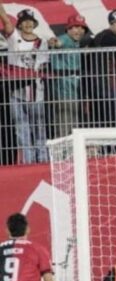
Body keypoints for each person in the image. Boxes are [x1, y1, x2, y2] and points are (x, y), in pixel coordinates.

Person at [0, 4, 49, 163]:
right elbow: (6, 20)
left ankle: (42, 161)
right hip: (16, 93)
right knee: (22, 131)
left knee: (39, 130)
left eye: (31, 21)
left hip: (37, 94)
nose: (28, 24)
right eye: (24, 21)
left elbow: (41, 66)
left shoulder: (42, 42)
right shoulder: (14, 37)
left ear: (35, 23)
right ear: (19, 24)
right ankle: (28, 164)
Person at [48, 14, 89, 139]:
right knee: (64, 128)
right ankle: (63, 156)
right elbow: (58, 42)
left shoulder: (76, 42)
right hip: (63, 91)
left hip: (72, 91)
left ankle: (70, 155)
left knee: (72, 128)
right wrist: (54, 42)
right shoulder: (65, 38)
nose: (79, 30)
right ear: (68, 29)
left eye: (82, 28)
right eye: (76, 27)